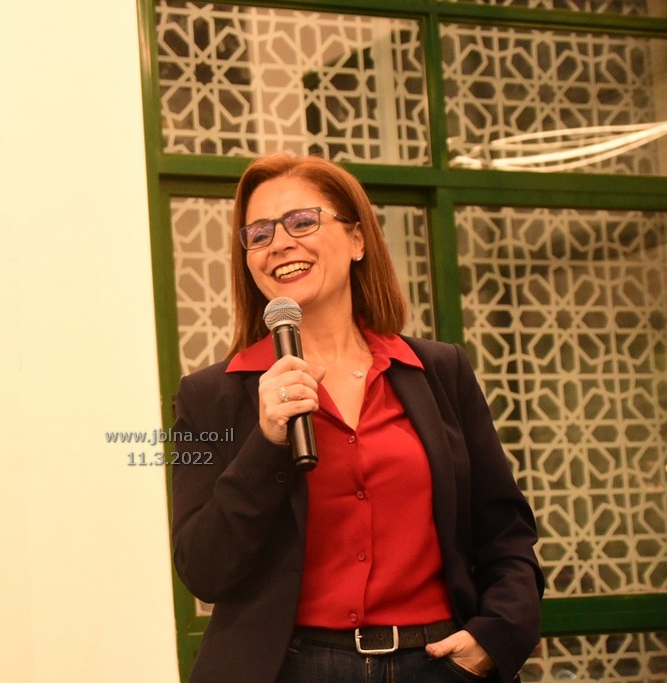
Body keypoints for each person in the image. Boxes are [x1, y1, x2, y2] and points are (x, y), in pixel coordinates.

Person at [170, 154, 543, 683]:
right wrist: (266, 443)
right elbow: (203, 568)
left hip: (439, 662)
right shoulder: (208, 396)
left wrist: (497, 637)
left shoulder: (440, 371)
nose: (279, 243)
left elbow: (505, 533)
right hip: (292, 668)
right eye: (259, 234)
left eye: (301, 221)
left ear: (357, 240)